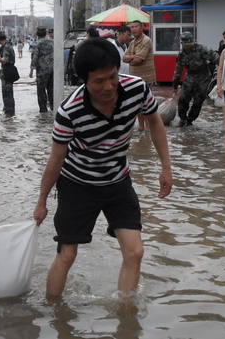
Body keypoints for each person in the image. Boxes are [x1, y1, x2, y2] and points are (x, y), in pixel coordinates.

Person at [33, 38, 173, 299]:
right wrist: (41, 201)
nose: (108, 86)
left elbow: (155, 122)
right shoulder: (69, 111)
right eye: (99, 81)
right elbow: (56, 159)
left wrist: (166, 168)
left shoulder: (136, 89)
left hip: (118, 180)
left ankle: (126, 313)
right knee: (67, 254)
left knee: (135, 252)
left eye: (112, 77)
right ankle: (53, 311)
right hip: (77, 184)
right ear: (83, 80)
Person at [172, 32, 219, 127]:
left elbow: (217, 58)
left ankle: (190, 120)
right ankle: (182, 119)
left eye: (189, 44)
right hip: (190, 76)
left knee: (198, 100)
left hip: (203, 76)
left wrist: (220, 73)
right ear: (182, 44)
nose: (188, 46)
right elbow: (178, 71)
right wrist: (174, 86)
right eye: (185, 44)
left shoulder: (202, 49)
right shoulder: (181, 54)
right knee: (183, 98)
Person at [124, 20, 156, 131]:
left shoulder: (146, 40)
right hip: (134, 78)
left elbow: (138, 60)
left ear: (141, 28)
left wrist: (130, 58)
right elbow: (124, 58)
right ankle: (141, 127)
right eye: (132, 27)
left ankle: (148, 128)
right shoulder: (132, 43)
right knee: (137, 103)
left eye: (136, 26)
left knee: (146, 103)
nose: (133, 29)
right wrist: (132, 57)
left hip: (146, 78)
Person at [30, 27, 54, 113]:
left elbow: (34, 57)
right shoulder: (52, 42)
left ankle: (43, 110)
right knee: (51, 89)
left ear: (37, 34)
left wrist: (31, 70)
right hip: (53, 69)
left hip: (42, 71)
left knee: (41, 90)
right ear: (46, 33)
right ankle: (53, 108)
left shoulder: (37, 44)